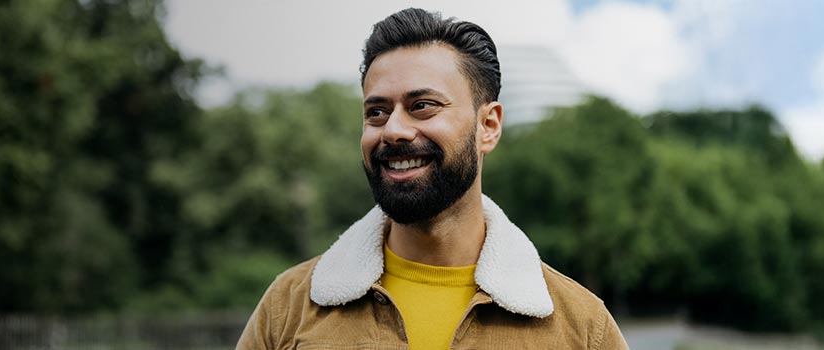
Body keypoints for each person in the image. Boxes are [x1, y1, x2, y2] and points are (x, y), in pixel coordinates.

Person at [234, 8, 627, 350]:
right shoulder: (288, 308)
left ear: (487, 126)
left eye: (422, 106)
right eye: (376, 112)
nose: (393, 130)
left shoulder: (582, 327)